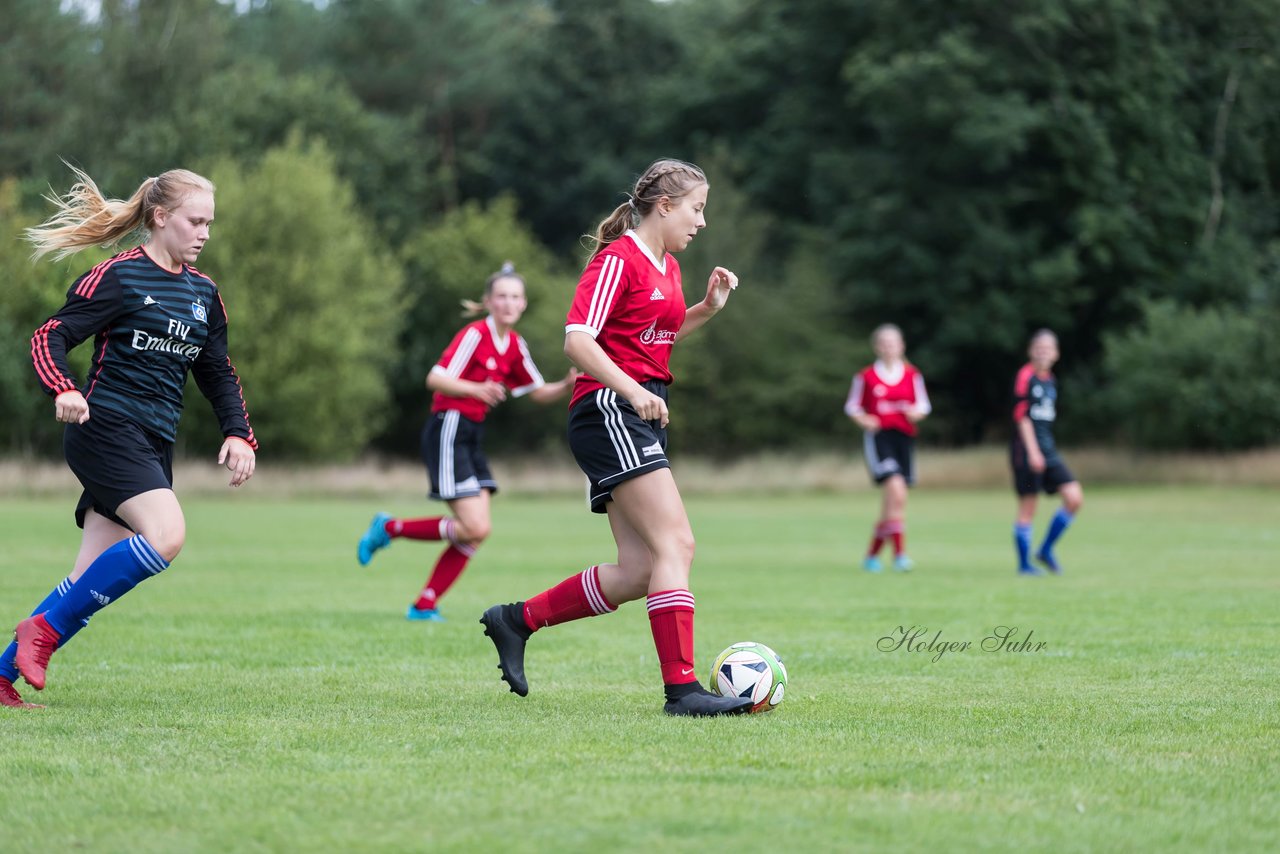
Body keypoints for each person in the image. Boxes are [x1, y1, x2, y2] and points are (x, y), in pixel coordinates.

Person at [478, 158, 752, 717]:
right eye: (697, 209)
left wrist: (708, 308)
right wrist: (632, 390)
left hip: (636, 410)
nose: (701, 223)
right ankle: (682, 692)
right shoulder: (617, 259)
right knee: (677, 544)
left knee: (640, 570)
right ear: (666, 205)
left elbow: (659, 334)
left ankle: (515, 620)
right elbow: (578, 340)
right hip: (609, 410)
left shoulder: (667, 268)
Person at [2, 165, 256, 709]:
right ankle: (40, 635)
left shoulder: (204, 295)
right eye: (195, 221)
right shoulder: (117, 277)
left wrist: (239, 433)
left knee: (87, 577)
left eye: (210, 223)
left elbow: (217, 372)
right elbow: (50, 336)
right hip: (106, 429)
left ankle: (1, 676)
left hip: (152, 442)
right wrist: (63, 389)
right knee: (167, 534)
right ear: (160, 217)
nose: (205, 233)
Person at [355, 263, 576, 621]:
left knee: (475, 534)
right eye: (501, 296)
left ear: (523, 304)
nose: (508, 302)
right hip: (449, 428)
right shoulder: (475, 335)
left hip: (472, 434)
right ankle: (389, 528)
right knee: (476, 527)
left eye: (515, 297)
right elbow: (435, 378)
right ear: (488, 301)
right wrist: (477, 389)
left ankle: (424, 604)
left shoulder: (515, 345)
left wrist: (567, 385)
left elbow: (536, 392)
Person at [845, 324, 932, 572]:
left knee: (891, 503)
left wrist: (916, 414)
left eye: (892, 343)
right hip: (880, 439)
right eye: (883, 343)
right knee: (897, 493)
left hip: (903, 439)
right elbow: (852, 407)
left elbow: (923, 406)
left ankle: (871, 556)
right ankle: (900, 555)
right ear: (876, 347)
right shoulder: (866, 376)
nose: (888, 348)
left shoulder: (912, 374)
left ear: (901, 346)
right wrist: (865, 420)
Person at [1010, 329, 1083, 576]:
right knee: (1029, 507)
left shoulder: (1051, 380)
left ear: (1056, 354)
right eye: (1038, 348)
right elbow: (1022, 417)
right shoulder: (1025, 377)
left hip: (1048, 449)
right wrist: (1033, 452)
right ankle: (1024, 565)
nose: (1043, 353)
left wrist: (1044, 449)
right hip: (1026, 450)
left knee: (1074, 498)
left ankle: (1045, 549)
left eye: (1048, 349)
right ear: (1031, 351)